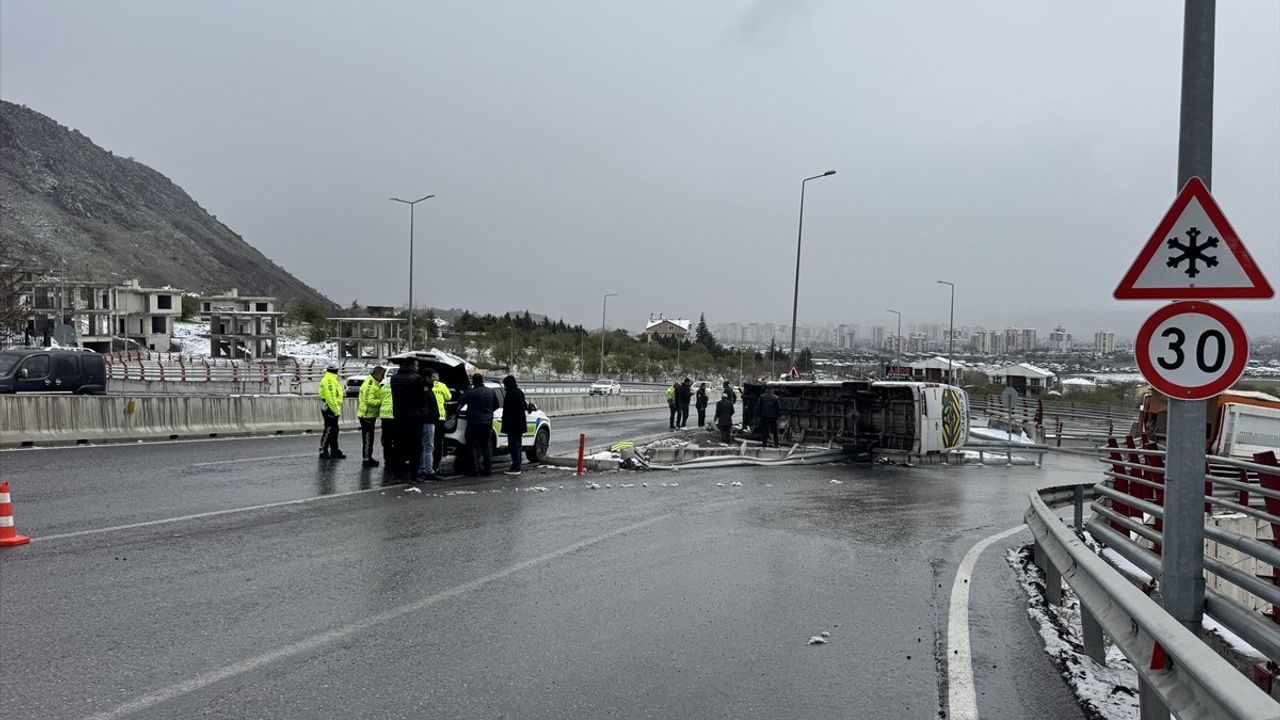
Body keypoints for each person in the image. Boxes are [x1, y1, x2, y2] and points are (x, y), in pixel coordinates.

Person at [390, 358, 428, 482]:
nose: (418, 368)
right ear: (412, 366)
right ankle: (413, 476)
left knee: (398, 447)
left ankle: (397, 475)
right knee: (415, 448)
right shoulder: (416, 379)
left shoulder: (394, 378)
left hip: (398, 416)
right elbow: (421, 399)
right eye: (417, 366)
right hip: (414, 417)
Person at [461, 373, 498, 476]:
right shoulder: (491, 391)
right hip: (487, 423)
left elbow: (460, 401)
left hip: (474, 422)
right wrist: (488, 413)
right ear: (482, 380)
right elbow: (496, 405)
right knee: (486, 446)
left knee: (471, 446)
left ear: (473, 381)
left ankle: (473, 470)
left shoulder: (471, 392)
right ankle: (488, 469)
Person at [356, 365, 386, 467]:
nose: (383, 378)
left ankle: (368, 457)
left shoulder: (374, 383)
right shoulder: (370, 384)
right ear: (377, 374)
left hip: (370, 415)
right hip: (366, 415)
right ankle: (366, 459)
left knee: (370, 438)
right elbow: (369, 401)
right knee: (368, 438)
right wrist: (382, 402)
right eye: (382, 376)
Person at [317, 363, 346, 459]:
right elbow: (331, 397)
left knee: (334, 430)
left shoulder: (332, 379)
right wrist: (336, 411)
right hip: (330, 408)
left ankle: (334, 450)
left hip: (332, 407)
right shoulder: (329, 380)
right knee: (329, 430)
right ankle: (323, 450)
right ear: (335, 370)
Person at [417, 369, 441, 481]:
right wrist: (433, 415)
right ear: (427, 378)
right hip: (428, 421)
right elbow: (425, 407)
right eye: (432, 377)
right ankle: (429, 470)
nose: (434, 379)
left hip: (425, 421)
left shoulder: (423, 389)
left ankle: (422, 468)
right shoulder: (425, 391)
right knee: (429, 446)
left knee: (423, 446)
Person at [501, 375, 527, 476]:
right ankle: (517, 465)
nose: (504, 386)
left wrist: (507, 423)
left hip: (513, 424)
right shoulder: (519, 392)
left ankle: (516, 467)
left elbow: (509, 411)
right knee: (518, 445)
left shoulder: (511, 394)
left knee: (513, 446)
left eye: (505, 384)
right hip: (519, 424)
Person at [430, 372, 452, 474]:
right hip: (440, 418)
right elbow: (449, 397)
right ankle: (436, 466)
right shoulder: (442, 385)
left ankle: (426, 466)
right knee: (438, 443)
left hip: (429, 418)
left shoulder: (425, 386)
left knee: (427, 444)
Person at [378, 371, 397, 467]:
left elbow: (380, 400)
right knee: (396, 440)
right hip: (394, 415)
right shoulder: (397, 387)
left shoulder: (384, 387)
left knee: (386, 440)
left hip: (384, 416)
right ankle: (396, 460)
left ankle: (387, 460)